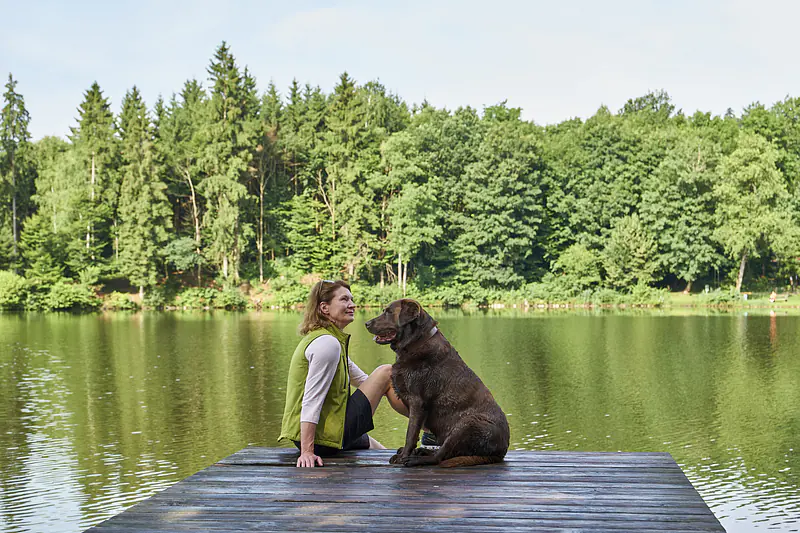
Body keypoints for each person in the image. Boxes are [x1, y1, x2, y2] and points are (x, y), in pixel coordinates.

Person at [279, 280, 409, 468]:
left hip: (326, 434)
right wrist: (307, 451)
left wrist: (385, 391)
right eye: (344, 299)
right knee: (387, 372)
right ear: (324, 308)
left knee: (376, 446)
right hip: (319, 441)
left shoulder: (328, 339)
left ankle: (414, 449)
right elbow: (311, 399)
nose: (352, 305)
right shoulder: (327, 344)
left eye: (352, 299)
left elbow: (365, 381)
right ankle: (430, 429)